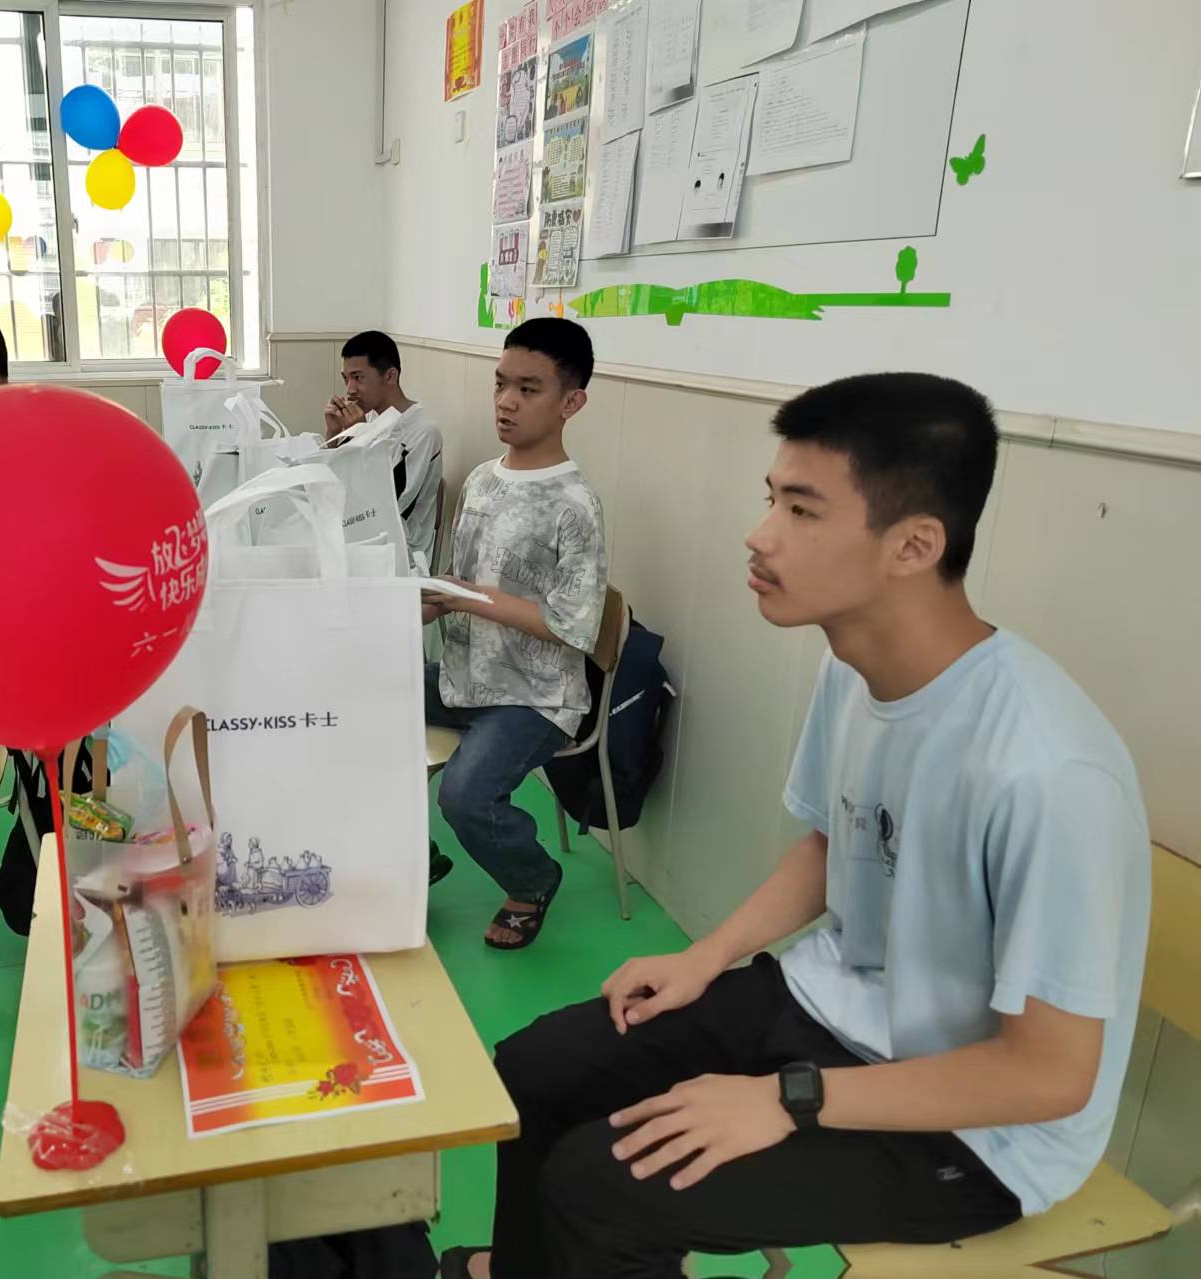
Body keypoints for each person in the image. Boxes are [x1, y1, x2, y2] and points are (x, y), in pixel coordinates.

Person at [443, 373, 1150, 1279]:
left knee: (602, 1189)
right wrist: (706, 956)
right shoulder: (853, 662)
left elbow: (1048, 1074)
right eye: (770, 497)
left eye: (803, 510)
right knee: (535, 1067)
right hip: (830, 1008)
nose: (760, 532)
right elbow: (831, 845)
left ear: (914, 545)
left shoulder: (1047, 769)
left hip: (980, 1133)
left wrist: (789, 1098)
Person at [421, 318, 607, 950]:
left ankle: (533, 881)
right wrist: (432, 602)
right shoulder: (481, 479)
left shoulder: (575, 503)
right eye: (501, 384)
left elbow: (575, 626)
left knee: (465, 797)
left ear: (571, 402)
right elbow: (464, 582)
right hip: (465, 675)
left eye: (528, 389)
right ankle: (411, 852)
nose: (506, 401)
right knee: (357, 701)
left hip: (534, 696)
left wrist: (473, 599)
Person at [323, 331, 445, 572]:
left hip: (401, 555)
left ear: (390, 376)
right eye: (346, 378)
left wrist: (360, 435)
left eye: (358, 378)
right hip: (358, 539)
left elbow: (385, 507)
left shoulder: (423, 432)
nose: (350, 389)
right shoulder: (369, 417)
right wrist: (333, 436)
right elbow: (333, 488)